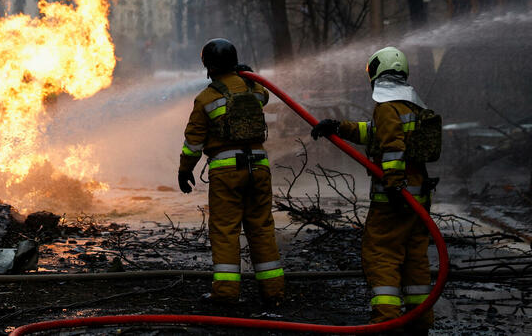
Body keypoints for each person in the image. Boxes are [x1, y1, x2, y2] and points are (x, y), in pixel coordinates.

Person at [310, 46, 437, 334]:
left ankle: (386, 320)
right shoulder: (410, 105)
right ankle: (419, 321)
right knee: (415, 258)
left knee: (382, 256)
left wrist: (393, 183)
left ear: (377, 73)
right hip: (418, 199)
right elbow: (374, 132)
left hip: (393, 201)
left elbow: (392, 147)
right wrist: (338, 128)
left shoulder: (386, 106)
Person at [177, 38, 284, 305]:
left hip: (227, 174)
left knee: (225, 230)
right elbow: (265, 94)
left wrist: (184, 170)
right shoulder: (254, 90)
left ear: (208, 66)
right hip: (259, 168)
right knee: (261, 228)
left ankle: (225, 294)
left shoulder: (206, 98)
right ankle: (273, 292)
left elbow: (193, 142)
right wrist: (246, 76)